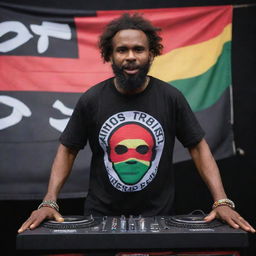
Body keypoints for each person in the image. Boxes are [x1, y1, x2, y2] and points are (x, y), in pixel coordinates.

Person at [18, 13, 254, 234]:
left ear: (151, 54)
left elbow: (198, 147)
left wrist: (222, 201)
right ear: (110, 55)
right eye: (122, 50)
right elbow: (68, 149)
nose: (130, 56)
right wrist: (49, 201)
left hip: (159, 216)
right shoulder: (92, 100)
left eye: (138, 49)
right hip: (100, 217)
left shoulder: (171, 98)